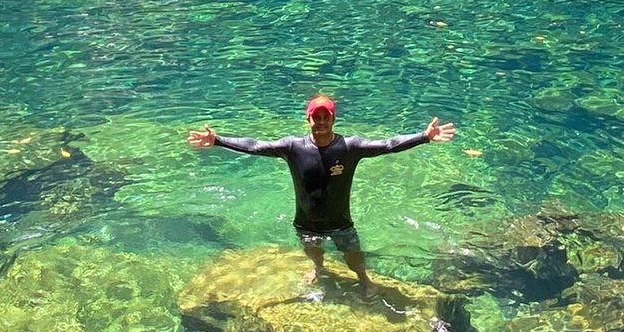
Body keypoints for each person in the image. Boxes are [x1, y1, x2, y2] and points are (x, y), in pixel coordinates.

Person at [187, 94, 455, 294]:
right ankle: (318, 268)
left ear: (333, 119)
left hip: (341, 223)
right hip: (306, 222)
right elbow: (255, 145)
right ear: (309, 119)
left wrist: (424, 136)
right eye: (317, 116)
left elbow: (388, 144)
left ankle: (364, 279)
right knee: (313, 250)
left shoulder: (351, 147)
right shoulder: (293, 147)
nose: (322, 121)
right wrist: (218, 141)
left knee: (354, 259)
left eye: (326, 116)